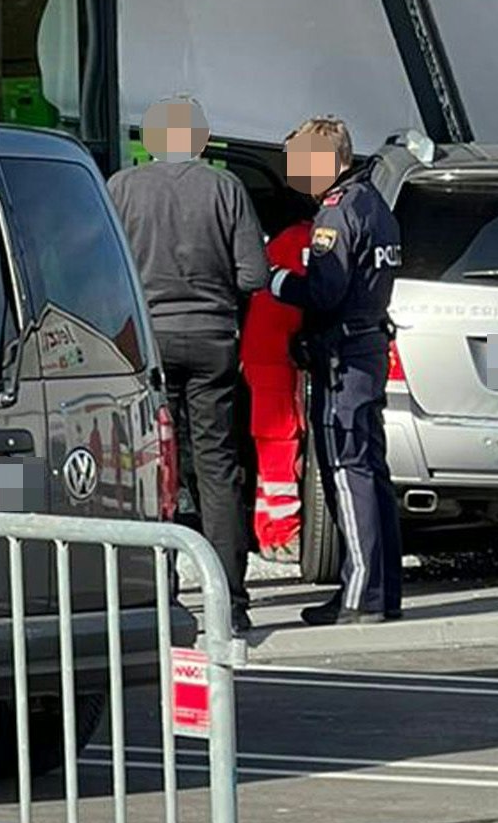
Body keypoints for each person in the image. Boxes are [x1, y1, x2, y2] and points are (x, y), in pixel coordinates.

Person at [107, 96, 268, 634]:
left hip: (147, 348)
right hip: (213, 341)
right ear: (199, 139)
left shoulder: (122, 188)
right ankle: (231, 602)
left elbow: (99, 269)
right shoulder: (226, 190)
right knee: (219, 469)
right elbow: (254, 276)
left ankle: (159, 595)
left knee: (157, 471)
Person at [266, 116, 403, 626]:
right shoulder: (375, 203)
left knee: (348, 474)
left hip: (343, 357)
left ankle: (362, 595)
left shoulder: (336, 214)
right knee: (371, 470)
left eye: (300, 162)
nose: (294, 173)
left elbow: (325, 292)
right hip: (366, 351)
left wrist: (278, 281)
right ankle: (381, 589)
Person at [243, 217, 316, 558]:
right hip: (276, 355)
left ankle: (269, 530)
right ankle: (285, 534)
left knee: (272, 447)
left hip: (264, 353)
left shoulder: (288, 238)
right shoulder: (306, 241)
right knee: (280, 444)